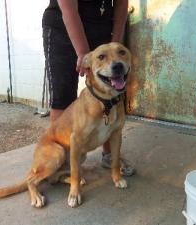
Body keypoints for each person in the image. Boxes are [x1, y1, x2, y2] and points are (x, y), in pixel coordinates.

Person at [42, 0, 135, 176]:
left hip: (101, 26)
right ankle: (61, 161)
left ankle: (109, 156)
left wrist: (113, 48)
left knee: (110, 96)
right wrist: (83, 54)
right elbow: (68, 8)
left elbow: (121, 5)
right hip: (62, 27)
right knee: (62, 97)